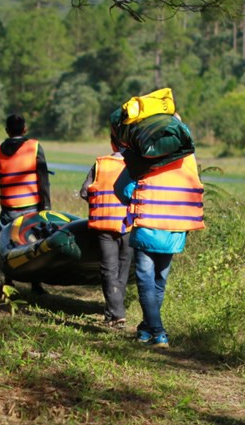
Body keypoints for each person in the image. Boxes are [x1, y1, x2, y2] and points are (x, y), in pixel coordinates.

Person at [114, 134, 204, 348]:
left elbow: (123, 189)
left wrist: (137, 200)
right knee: (159, 282)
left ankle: (158, 331)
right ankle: (145, 330)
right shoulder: (188, 159)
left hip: (147, 226)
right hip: (174, 229)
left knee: (146, 281)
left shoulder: (144, 157)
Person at [0, 113, 52, 293]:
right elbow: (43, 179)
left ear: (7, 131)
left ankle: (8, 282)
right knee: (35, 245)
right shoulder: (34, 147)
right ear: (24, 129)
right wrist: (47, 207)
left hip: (8, 208)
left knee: (7, 246)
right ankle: (36, 284)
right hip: (31, 207)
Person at [79, 138, 133, 328]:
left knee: (109, 271)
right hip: (128, 227)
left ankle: (116, 314)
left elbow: (84, 192)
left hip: (104, 225)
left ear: (113, 145)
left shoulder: (100, 163)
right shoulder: (137, 165)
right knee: (122, 271)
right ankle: (114, 313)